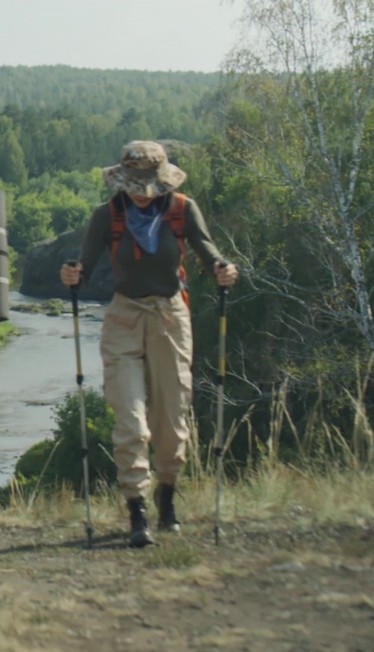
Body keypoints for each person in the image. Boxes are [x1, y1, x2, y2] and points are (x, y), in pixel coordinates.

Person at [59, 140, 239, 548]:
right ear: (121, 181)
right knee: (131, 419)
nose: (142, 193)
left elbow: (206, 248)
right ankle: (137, 510)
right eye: (134, 184)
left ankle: (168, 499)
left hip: (170, 316)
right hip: (123, 316)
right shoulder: (106, 215)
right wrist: (72, 274)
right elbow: (83, 264)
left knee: (172, 420)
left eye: (149, 184)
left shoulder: (181, 209)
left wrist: (221, 268)